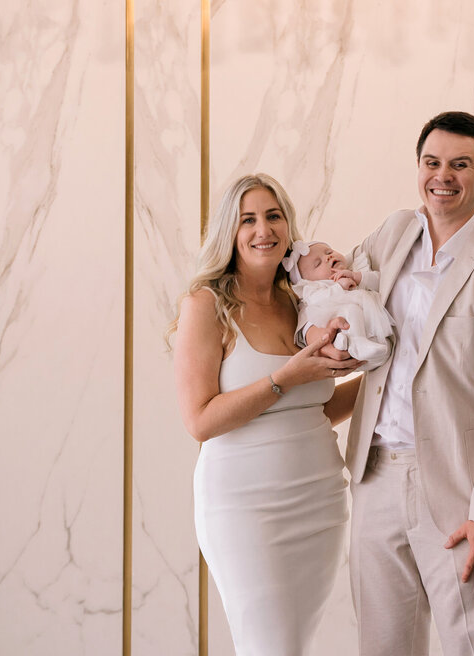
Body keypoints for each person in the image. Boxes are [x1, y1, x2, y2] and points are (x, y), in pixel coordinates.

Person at [314, 111, 474, 656]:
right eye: (432, 162)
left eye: (460, 165)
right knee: (382, 646)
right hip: (375, 475)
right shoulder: (392, 234)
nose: (443, 176)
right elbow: (338, 291)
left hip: (461, 491)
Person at [169, 173, 363, 656]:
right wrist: (285, 378)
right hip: (245, 508)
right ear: (229, 232)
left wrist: (388, 377)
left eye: (273, 216)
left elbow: (315, 409)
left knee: (294, 645)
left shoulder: (303, 301)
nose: (263, 230)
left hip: (320, 501)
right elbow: (199, 420)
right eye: (248, 219)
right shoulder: (206, 305)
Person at [283, 239, 394, 369]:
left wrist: (357, 277)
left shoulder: (354, 268)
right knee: (352, 310)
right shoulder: (315, 290)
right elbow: (317, 300)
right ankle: (353, 343)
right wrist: (339, 287)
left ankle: (373, 350)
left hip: (373, 328)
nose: (328, 257)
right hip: (346, 330)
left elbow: (383, 282)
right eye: (318, 264)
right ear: (308, 281)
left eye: (329, 252)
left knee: (386, 349)